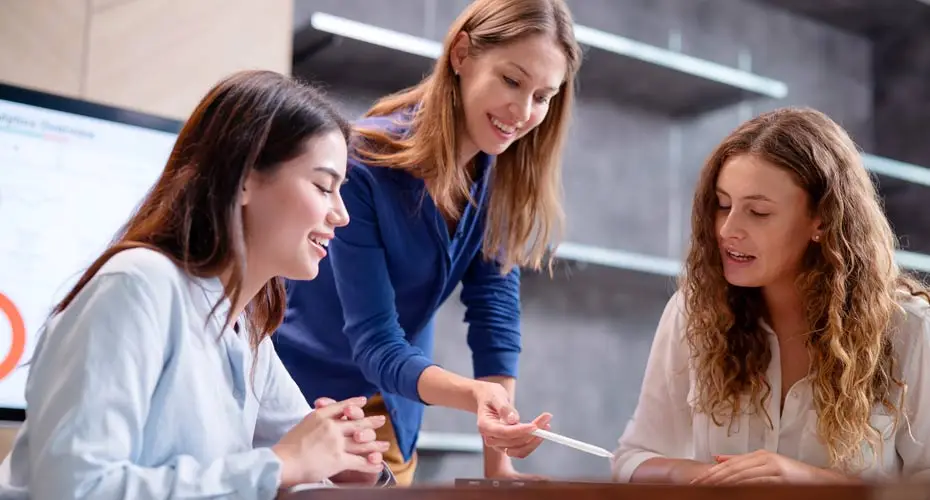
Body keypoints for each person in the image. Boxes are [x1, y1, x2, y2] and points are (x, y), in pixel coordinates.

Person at [0, 70, 397, 499]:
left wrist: (353, 468)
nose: (341, 214)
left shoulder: (245, 328)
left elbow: (298, 460)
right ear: (244, 177)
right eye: (323, 186)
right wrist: (285, 463)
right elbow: (74, 489)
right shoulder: (137, 285)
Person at [273, 0, 582, 485]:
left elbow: (495, 321)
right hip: (301, 398)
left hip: (390, 412)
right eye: (511, 80)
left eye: (543, 96)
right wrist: (474, 396)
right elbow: (374, 340)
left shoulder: (499, 180)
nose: (522, 113)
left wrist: (498, 464)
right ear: (462, 54)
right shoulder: (366, 164)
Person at [612, 107, 930, 484]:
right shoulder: (692, 312)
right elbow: (632, 459)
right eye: (723, 205)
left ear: (822, 221)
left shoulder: (909, 328)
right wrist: (715, 478)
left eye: (758, 212)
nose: (728, 229)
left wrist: (809, 483)